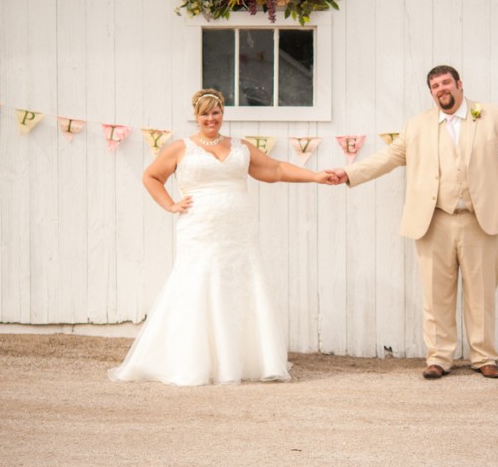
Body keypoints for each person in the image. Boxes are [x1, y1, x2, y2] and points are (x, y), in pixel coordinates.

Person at [109, 89, 338, 386]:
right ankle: (192, 361)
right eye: (204, 113)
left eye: (215, 112)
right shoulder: (181, 148)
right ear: (196, 116)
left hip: (239, 230)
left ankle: (241, 360)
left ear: (222, 114)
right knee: (198, 283)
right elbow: (151, 177)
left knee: (241, 285)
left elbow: (276, 169)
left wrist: (316, 176)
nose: (210, 118)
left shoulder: (240, 147)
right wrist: (170, 204)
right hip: (199, 230)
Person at [328, 65, 498, 380]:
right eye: (435, 85)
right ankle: (439, 358)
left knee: (482, 294)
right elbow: (389, 157)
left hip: (480, 219)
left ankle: (484, 356)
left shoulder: (491, 115)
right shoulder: (416, 125)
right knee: (436, 295)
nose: (441, 89)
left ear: (459, 84)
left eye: (446, 82)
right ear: (431, 92)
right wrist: (349, 173)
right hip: (433, 221)